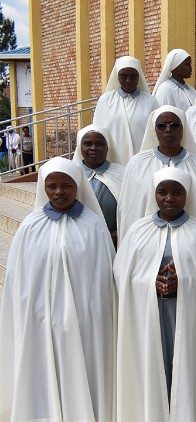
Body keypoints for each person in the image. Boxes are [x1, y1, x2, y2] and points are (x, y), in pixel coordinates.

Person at [0, 157, 115, 421]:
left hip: (84, 318)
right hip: (41, 315)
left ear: (78, 186)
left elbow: (102, 278)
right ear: (43, 188)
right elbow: (20, 277)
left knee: (82, 366)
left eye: (66, 185)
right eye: (52, 186)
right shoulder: (31, 225)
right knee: (42, 365)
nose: (59, 192)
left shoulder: (94, 225)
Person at [114, 166, 196, 420]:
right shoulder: (137, 231)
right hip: (149, 312)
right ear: (153, 194)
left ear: (187, 195)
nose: (169, 198)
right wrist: (149, 280)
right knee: (153, 364)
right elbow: (122, 273)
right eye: (162, 192)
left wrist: (185, 280)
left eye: (177, 192)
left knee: (185, 365)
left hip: (187, 314)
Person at [118, 105, 196, 241]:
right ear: (154, 129)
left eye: (174, 125)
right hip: (146, 242)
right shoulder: (137, 164)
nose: (168, 130)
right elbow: (129, 210)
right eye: (162, 126)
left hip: (192, 243)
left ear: (183, 129)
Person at [94, 55, 160, 164]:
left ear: (139, 77)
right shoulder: (105, 100)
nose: (128, 80)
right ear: (117, 77)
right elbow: (98, 130)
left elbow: (156, 134)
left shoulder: (150, 102)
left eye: (133, 76)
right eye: (123, 76)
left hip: (142, 160)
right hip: (113, 160)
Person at [73, 124, 125, 244]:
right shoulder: (71, 174)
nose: (93, 148)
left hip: (115, 241)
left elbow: (130, 209)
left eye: (100, 144)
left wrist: (117, 234)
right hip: (77, 241)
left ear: (108, 147)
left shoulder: (123, 173)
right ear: (80, 147)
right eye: (87, 144)